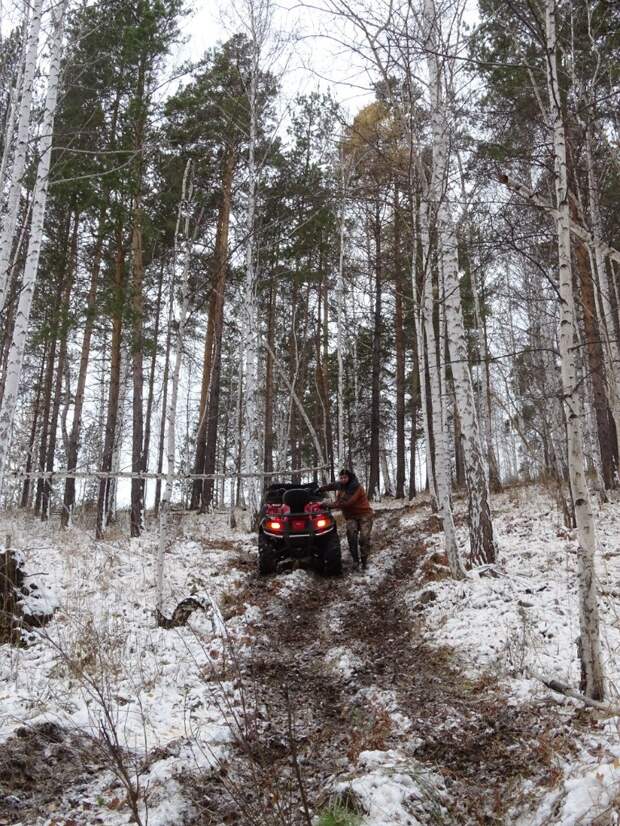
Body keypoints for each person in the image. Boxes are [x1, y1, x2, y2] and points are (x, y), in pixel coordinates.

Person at [319, 469, 374, 570]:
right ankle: (355, 560)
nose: (343, 479)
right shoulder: (341, 485)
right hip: (351, 516)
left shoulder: (356, 487)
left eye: (345, 477)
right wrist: (320, 489)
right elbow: (332, 486)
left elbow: (346, 503)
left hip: (364, 515)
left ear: (349, 478)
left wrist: (326, 505)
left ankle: (364, 560)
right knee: (351, 535)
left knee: (364, 538)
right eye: (341, 478)